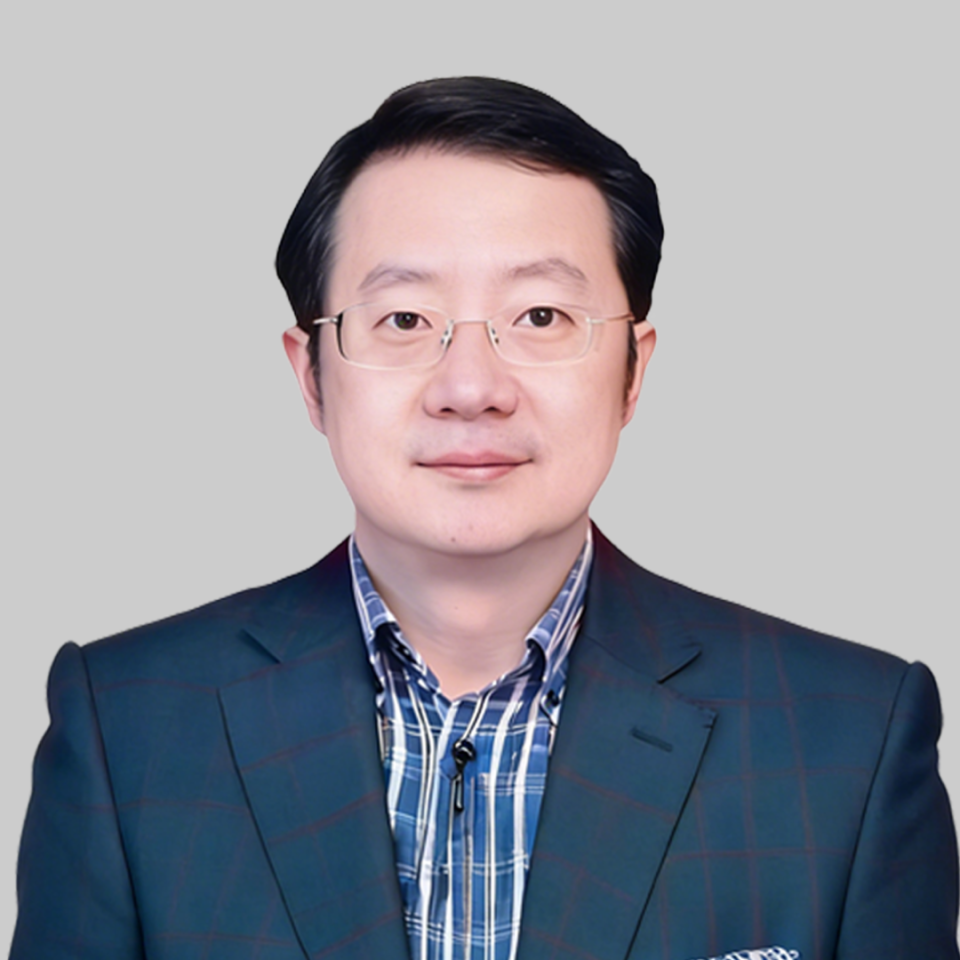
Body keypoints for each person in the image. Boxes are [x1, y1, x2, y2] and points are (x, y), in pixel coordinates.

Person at [10, 76, 958, 960]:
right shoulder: (128, 727)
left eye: (541, 317)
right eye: (404, 320)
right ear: (311, 375)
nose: (471, 387)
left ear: (634, 370)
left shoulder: (849, 743)